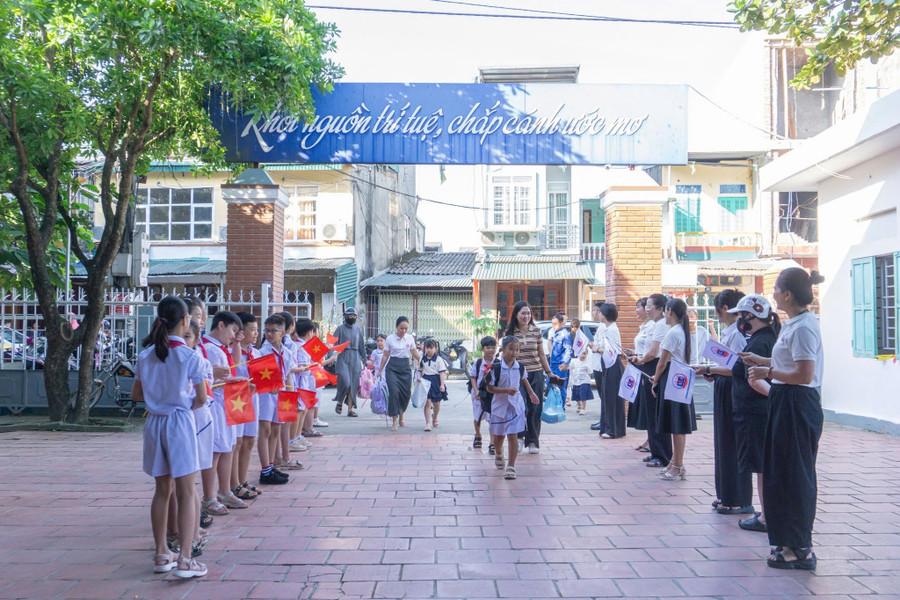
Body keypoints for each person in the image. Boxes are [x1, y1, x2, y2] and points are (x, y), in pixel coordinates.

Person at [744, 268, 825, 571]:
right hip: (785, 399)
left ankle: (799, 548)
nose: (774, 294)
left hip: (797, 402)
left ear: (788, 294)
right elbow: (789, 362)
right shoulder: (795, 324)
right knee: (781, 472)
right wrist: (762, 361)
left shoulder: (804, 327)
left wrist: (768, 372)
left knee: (795, 475)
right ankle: (786, 541)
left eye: (777, 289)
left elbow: (804, 374)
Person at [133, 296, 207, 578]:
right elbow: (202, 398)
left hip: (154, 422)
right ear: (186, 320)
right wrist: (184, 402)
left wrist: (158, 399)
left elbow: (136, 394)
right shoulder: (190, 356)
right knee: (186, 491)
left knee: (162, 490)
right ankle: (186, 559)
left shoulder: (146, 355)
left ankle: (162, 552)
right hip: (179, 422)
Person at [694, 290, 753, 516]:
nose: (716, 315)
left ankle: (737, 498)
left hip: (733, 390)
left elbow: (736, 368)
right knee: (723, 443)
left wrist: (710, 369)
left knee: (731, 443)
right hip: (724, 387)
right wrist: (713, 372)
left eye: (717, 310)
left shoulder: (737, 334)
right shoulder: (729, 332)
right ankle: (726, 494)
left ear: (725, 309)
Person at [727, 295, 780, 533]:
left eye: (741, 315)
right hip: (757, 412)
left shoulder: (760, 342)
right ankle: (768, 513)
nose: (739, 320)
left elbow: (756, 380)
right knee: (763, 465)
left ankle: (767, 517)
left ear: (751, 316)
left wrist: (776, 399)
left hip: (755, 413)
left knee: (761, 466)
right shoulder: (765, 338)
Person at [201, 311, 247, 511]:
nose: (233, 336)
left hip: (226, 402)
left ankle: (225, 491)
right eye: (233, 331)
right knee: (216, 450)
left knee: (227, 447)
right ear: (221, 325)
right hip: (215, 404)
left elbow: (231, 369)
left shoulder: (220, 348)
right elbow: (210, 378)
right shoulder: (210, 349)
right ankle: (209, 497)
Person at [651, 298, 697, 481]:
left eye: (665, 311)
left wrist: (655, 379)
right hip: (681, 379)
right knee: (677, 425)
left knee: (677, 426)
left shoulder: (673, 333)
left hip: (673, 379)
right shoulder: (683, 331)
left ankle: (677, 465)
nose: (664, 314)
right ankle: (675, 462)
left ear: (669, 311)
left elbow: (662, 362)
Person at [485, 336, 540, 480]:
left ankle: (511, 466)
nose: (514, 352)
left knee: (513, 435)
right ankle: (498, 453)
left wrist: (531, 393)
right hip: (500, 407)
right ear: (503, 350)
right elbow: (489, 388)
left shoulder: (520, 367)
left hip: (515, 406)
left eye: (517, 350)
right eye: (511, 349)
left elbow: (524, 380)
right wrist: (505, 391)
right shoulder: (496, 368)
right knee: (499, 436)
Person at [505, 301, 555, 454]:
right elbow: (507, 356)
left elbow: (541, 354)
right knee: (520, 408)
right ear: (516, 314)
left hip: (536, 373)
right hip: (517, 376)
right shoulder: (510, 333)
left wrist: (549, 372)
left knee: (535, 408)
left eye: (528, 313)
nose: (526, 316)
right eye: (523, 313)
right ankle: (519, 438)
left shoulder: (536, 331)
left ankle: (533, 441)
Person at [630, 293, 672, 467]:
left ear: (660, 309)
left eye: (649, 306)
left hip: (653, 367)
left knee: (655, 413)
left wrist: (640, 360)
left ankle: (662, 455)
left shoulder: (661, 325)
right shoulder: (655, 324)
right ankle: (655, 451)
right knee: (651, 413)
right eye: (645, 305)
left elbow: (654, 352)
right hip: (648, 366)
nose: (647, 309)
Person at [256, 313, 292, 485]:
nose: (269, 334)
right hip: (266, 395)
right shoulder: (262, 353)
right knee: (265, 430)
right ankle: (265, 469)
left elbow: (288, 374)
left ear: (283, 332)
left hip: (281, 393)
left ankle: (271, 465)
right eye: (267, 331)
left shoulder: (287, 353)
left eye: (274, 331)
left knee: (276, 429)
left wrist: (290, 392)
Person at [230, 312, 262, 501]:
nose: (256, 333)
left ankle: (242, 480)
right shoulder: (233, 353)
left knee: (249, 440)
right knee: (238, 442)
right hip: (237, 400)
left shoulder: (255, 353)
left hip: (253, 399)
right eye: (252, 330)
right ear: (241, 331)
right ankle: (233, 484)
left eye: (257, 330)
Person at [379, 316, 421, 431]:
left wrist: (423, 362)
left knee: (406, 394)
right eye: (401, 328)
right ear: (396, 327)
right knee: (394, 393)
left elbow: (414, 353)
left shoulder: (410, 338)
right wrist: (380, 370)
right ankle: (394, 420)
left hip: (405, 368)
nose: (403, 331)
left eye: (406, 329)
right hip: (392, 368)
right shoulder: (390, 339)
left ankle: (402, 414)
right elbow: (385, 355)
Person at [626, 298, 652, 450]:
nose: (636, 310)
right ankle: (650, 440)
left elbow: (652, 351)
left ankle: (652, 441)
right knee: (645, 406)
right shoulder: (643, 327)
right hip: (641, 367)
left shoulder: (652, 327)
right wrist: (634, 353)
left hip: (647, 368)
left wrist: (639, 357)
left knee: (649, 406)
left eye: (638, 307)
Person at [597, 302, 625, 439]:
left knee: (611, 398)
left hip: (613, 365)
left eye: (600, 312)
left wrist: (597, 349)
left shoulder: (612, 330)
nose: (598, 314)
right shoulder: (609, 328)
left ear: (605, 315)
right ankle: (608, 427)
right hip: (608, 365)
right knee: (607, 397)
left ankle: (612, 429)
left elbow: (612, 351)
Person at [334, 307, 367, 417]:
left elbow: (361, 345)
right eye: (350, 315)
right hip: (343, 357)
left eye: (354, 316)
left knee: (353, 384)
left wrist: (365, 359)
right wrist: (331, 357)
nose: (352, 317)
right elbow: (333, 344)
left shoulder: (358, 329)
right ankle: (340, 401)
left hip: (355, 358)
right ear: (345, 316)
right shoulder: (340, 329)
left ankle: (350, 409)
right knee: (346, 382)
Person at [468, 336, 497, 452]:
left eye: (493, 347)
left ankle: (492, 442)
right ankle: (478, 434)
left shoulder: (498, 363)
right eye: (488, 347)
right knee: (477, 417)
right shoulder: (478, 362)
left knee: (493, 419)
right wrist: (476, 391)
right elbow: (473, 377)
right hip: (479, 394)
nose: (491, 350)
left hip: (492, 394)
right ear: (483, 349)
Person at [548, 313, 572, 406]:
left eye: (555, 324)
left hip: (560, 366)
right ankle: (554, 407)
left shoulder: (565, 334)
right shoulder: (556, 333)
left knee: (560, 388)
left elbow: (569, 350)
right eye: (552, 323)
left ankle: (561, 408)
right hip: (553, 365)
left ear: (561, 323)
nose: (553, 326)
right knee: (552, 387)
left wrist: (565, 363)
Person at [567, 347, 593, 415]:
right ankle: (579, 405)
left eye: (585, 354)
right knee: (576, 395)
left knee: (583, 395)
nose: (583, 355)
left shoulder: (587, 362)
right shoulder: (574, 361)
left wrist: (587, 367)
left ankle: (583, 409)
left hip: (584, 381)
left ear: (587, 354)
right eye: (581, 353)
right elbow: (569, 367)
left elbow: (590, 372)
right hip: (576, 381)